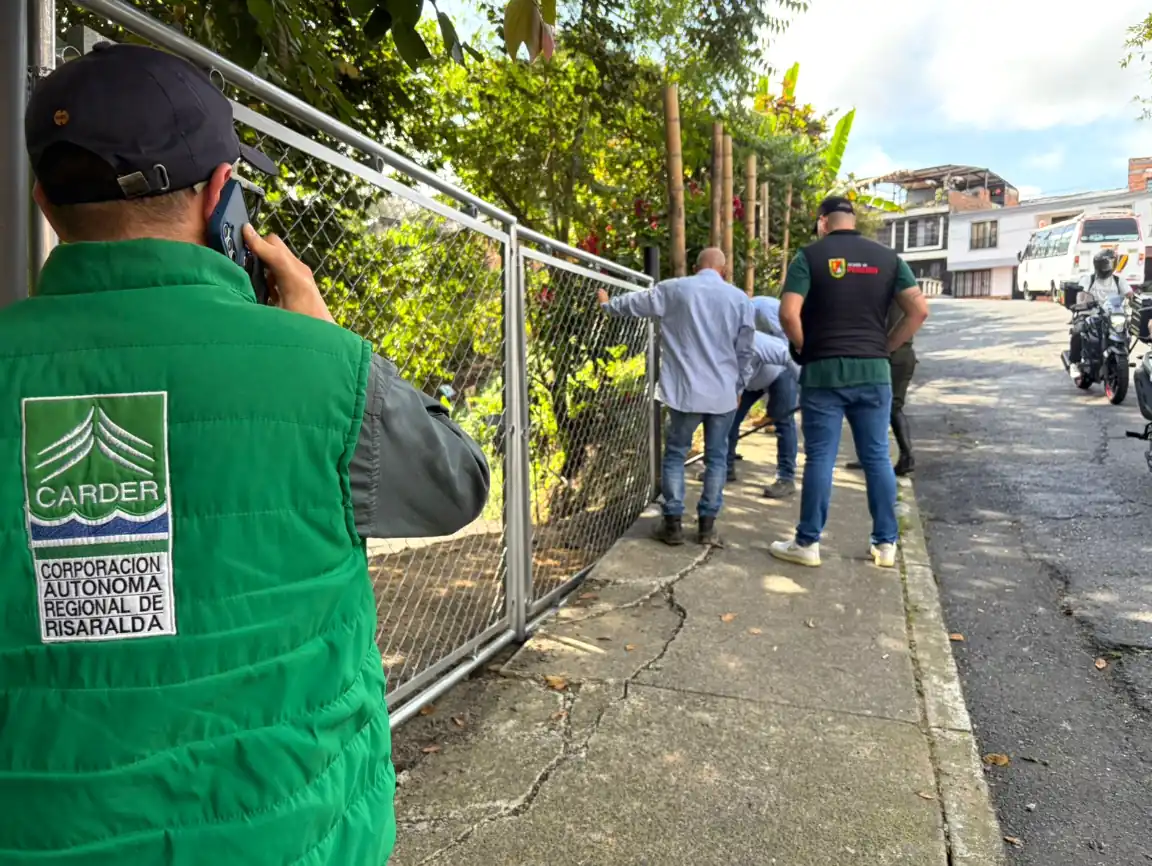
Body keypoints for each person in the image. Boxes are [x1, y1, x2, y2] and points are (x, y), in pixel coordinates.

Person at [0, 43, 490, 865]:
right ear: (224, 199)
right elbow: (458, 485)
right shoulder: (328, 372)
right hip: (292, 837)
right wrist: (324, 338)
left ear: (48, 204)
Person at [768, 196, 929, 569]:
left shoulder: (808, 257)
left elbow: (788, 313)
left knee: (821, 457)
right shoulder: (889, 259)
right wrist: (885, 347)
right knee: (876, 456)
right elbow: (919, 310)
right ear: (852, 220)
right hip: (874, 372)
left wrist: (806, 347)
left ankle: (808, 543)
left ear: (823, 222)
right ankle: (886, 545)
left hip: (823, 373)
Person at [598, 247, 754, 546]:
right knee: (717, 458)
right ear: (723, 270)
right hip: (722, 394)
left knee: (675, 454)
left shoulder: (673, 289)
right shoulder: (739, 300)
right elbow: (745, 350)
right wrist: (740, 386)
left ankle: (672, 524)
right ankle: (707, 527)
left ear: (696, 266)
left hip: (685, 392)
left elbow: (635, 303)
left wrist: (608, 306)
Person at [846, 299, 917, 476]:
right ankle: (874, 455)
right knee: (884, 407)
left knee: (885, 407)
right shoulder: (903, 298)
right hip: (903, 354)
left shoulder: (889, 296)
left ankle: (905, 457)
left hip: (892, 355)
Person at [727, 331, 800, 497]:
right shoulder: (717, 341)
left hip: (779, 374)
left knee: (783, 421)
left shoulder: (757, 342)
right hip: (748, 383)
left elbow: (789, 357)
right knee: (729, 419)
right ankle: (725, 468)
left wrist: (805, 388)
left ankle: (786, 478)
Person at [1069, 249, 1132, 369]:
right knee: (1078, 331)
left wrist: (1133, 298)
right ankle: (1074, 363)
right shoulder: (1089, 279)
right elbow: (1081, 294)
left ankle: (1121, 356)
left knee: (1127, 331)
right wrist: (1082, 302)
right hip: (1091, 314)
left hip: (1113, 314)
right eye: (1103, 264)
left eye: (1108, 264)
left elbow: (1129, 294)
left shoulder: (1119, 281)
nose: (1106, 267)